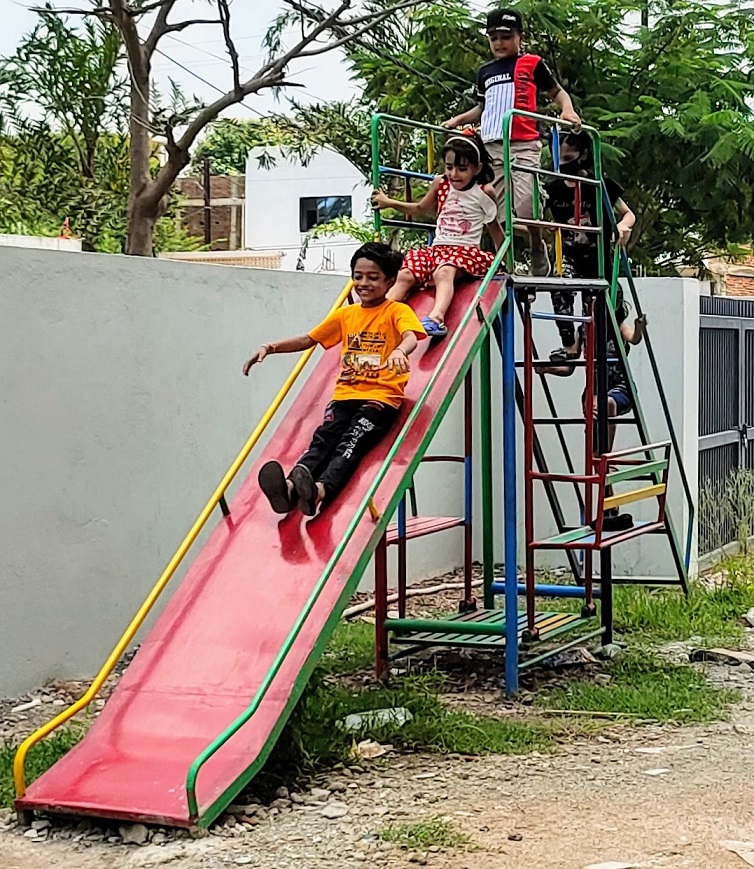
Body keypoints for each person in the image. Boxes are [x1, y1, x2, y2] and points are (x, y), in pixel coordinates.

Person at [243, 243, 427, 517]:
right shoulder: (347, 314)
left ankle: (319, 491)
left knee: (351, 441)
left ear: (390, 281)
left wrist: (401, 350)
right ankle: (291, 490)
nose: (363, 283)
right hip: (344, 396)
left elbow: (410, 336)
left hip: (381, 398)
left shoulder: (396, 311)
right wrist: (270, 347)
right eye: (358, 276)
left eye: (373, 277)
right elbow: (310, 339)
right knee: (322, 440)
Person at [443, 8, 581, 277]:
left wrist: (568, 110)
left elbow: (557, 92)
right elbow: (481, 108)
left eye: (506, 36)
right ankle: (504, 259)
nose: (499, 43)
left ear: (519, 37)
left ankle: (537, 245)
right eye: (493, 37)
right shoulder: (486, 71)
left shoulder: (532, 63)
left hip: (523, 142)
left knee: (528, 204)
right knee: (496, 210)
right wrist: (457, 120)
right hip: (491, 145)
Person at [371, 131, 504, 339]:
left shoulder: (484, 192)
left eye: (462, 169)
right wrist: (389, 202)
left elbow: (495, 230)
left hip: (465, 252)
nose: (454, 174)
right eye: (449, 167)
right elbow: (419, 208)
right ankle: (377, 315)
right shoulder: (441, 184)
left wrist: (503, 260)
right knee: (406, 273)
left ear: (477, 169)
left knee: (444, 271)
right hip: (437, 250)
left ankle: (436, 318)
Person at [543, 289, 647, 529]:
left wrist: (640, 326)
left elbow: (635, 338)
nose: (590, 307)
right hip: (592, 396)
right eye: (588, 303)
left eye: (595, 303)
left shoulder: (617, 328)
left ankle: (607, 457)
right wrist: (546, 370)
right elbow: (570, 367)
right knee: (593, 456)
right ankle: (609, 506)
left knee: (606, 410)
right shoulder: (583, 331)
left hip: (619, 390)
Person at [545, 129, 636, 360]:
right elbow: (535, 214)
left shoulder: (597, 184)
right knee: (560, 284)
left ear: (583, 154)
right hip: (569, 254)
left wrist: (622, 227)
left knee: (601, 309)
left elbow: (628, 214)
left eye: (568, 158)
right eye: (559, 158)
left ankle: (586, 341)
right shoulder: (552, 188)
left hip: (597, 260)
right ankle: (568, 344)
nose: (563, 164)